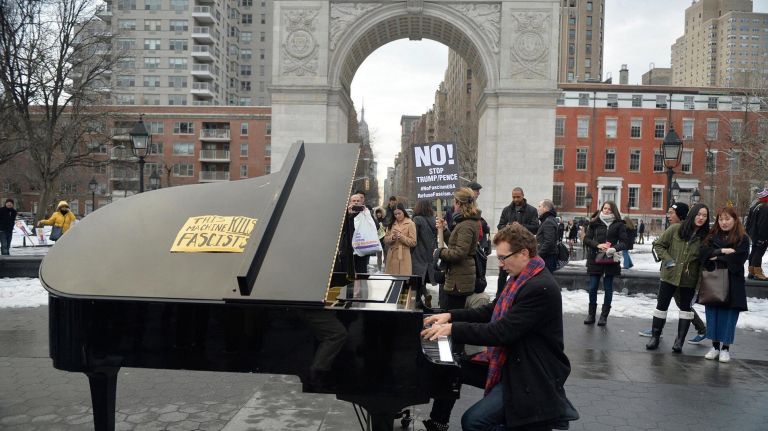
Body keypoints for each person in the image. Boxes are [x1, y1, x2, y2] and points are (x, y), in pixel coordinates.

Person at [421, 224, 577, 431]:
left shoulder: (540, 288)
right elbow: (490, 311)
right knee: (452, 372)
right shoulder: (520, 279)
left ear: (524, 253)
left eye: (504, 257)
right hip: (511, 360)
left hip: (531, 372)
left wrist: (453, 329)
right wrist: (450, 315)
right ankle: (438, 421)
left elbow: (501, 332)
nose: (501, 264)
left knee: (474, 421)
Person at [638, 202, 709, 343]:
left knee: (684, 306)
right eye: (699, 214)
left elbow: (702, 263)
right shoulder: (675, 229)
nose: (669, 216)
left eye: (672, 213)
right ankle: (656, 333)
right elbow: (659, 246)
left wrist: (699, 285)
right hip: (670, 275)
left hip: (687, 278)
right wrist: (668, 261)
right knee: (666, 304)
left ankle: (698, 331)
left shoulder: (703, 237)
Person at [699, 205, 750, 362]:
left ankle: (725, 348)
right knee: (713, 313)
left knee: (728, 316)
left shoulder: (742, 238)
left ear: (735, 220)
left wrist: (717, 257)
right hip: (714, 281)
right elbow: (703, 254)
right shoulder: (712, 236)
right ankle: (714, 346)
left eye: (727, 219)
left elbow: (739, 258)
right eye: (721, 219)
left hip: (733, 283)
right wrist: (721, 252)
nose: (724, 222)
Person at [583, 201, 628, 326]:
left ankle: (604, 316)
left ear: (613, 210)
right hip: (595, 258)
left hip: (610, 259)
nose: (606, 210)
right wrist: (597, 245)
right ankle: (591, 314)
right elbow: (586, 239)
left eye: (609, 209)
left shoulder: (619, 224)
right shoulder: (594, 223)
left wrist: (614, 248)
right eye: (604, 208)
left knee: (608, 288)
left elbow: (625, 242)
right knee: (592, 287)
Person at [435, 187, 480, 310]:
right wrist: (444, 230)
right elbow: (455, 244)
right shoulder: (464, 222)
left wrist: (440, 252)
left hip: (459, 280)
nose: (454, 205)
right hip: (458, 277)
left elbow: (459, 253)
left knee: (453, 316)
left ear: (459, 203)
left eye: (454, 202)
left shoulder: (466, 224)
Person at [496, 187, 539, 295]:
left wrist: (521, 227)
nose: (515, 199)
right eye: (513, 197)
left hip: (523, 248)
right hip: (508, 247)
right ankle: (499, 295)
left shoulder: (532, 210)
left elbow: (536, 227)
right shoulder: (506, 210)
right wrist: (506, 227)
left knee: (522, 273)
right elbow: (499, 225)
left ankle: (519, 294)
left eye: (518, 197)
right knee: (502, 274)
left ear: (523, 196)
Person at [333, 193, 371, 275]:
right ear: (350, 202)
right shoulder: (344, 214)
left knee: (361, 274)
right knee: (346, 275)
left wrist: (366, 214)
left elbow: (375, 227)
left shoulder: (365, 213)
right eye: (354, 201)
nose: (356, 203)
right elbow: (341, 229)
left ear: (361, 203)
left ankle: (360, 288)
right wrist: (349, 214)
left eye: (358, 201)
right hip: (347, 249)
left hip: (361, 249)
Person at [384, 203, 416, 275]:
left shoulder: (410, 223)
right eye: (395, 214)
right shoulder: (391, 223)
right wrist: (392, 237)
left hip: (404, 255)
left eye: (399, 213)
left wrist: (401, 237)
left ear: (403, 212)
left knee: (403, 280)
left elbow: (413, 242)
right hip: (391, 255)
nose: (397, 216)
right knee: (391, 280)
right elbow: (385, 239)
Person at [411, 200, 438, 285]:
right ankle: (425, 293)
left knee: (417, 275)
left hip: (418, 251)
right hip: (430, 249)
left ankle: (421, 294)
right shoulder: (433, 219)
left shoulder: (417, 219)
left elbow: (413, 237)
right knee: (426, 271)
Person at [745, 188, 768, 280]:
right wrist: (763, 237)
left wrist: (750, 234)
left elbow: (748, 223)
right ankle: (758, 273)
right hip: (761, 235)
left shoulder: (754, 206)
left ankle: (751, 272)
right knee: (759, 253)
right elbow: (763, 224)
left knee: (754, 252)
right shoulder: (765, 207)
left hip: (754, 235)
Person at [536, 199, 560, 273]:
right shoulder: (548, 219)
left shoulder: (548, 221)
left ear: (545, 208)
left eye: (540, 206)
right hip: (547, 257)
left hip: (547, 258)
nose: (538, 208)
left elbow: (549, 242)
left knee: (544, 282)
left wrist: (538, 255)